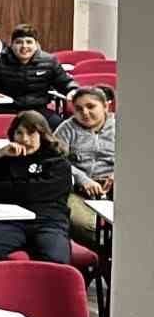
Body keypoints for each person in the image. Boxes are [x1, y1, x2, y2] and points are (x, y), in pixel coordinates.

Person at [0, 111, 73, 268]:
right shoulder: (9, 157)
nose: (25, 139)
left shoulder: (58, 162)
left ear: (42, 134)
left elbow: (35, 191)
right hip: (11, 220)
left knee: (56, 260)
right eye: (19, 133)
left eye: (31, 133)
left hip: (48, 221)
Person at [0, 24, 75, 121]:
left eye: (29, 42)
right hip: (4, 110)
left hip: (37, 111)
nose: (24, 46)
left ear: (36, 44)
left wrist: (72, 90)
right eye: (19, 42)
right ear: (11, 44)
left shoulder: (49, 61)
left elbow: (65, 82)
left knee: (59, 126)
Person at [57, 87, 116, 243]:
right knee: (88, 226)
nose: (84, 112)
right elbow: (56, 161)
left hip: (115, 188)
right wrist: (83, 179)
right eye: (78, 109)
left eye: (91, 106)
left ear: (105, 106)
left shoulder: (122, 127)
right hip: (77, 190)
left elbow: (137, 159)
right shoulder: (66, 129)